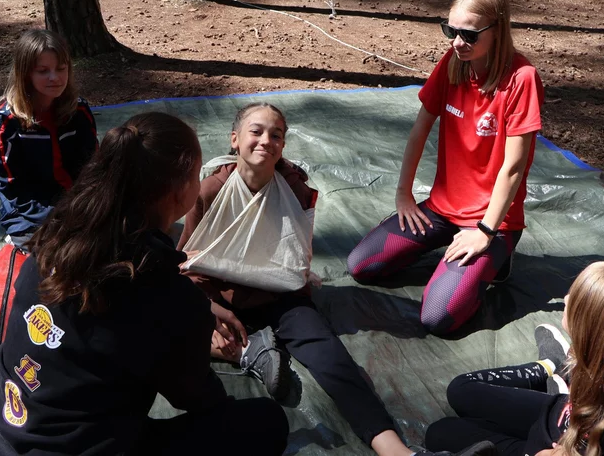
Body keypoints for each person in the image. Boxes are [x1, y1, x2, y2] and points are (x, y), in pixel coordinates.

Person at [178, 103, 496, 456]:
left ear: (283, 145)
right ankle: (252, 351)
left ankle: (396, 451)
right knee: (174, 330)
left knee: (333, 360)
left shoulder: (293, 189)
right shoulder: (210, 192)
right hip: (224, 299)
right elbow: (189, 264)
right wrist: (208, 309)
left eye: (276, 135)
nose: (266, 140)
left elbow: (293, 257)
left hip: (281, 297)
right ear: (234, 140)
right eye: (256, 131)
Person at [0, 112, 289, 456]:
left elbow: (110, 314)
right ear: (180, 192)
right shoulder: (168, 300)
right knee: (266, 421)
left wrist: (194, 309)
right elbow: (197, 397)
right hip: (68, 448)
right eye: (197, 175)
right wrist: (192, 329)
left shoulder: (57, 235)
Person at [346, 0, 544, 335]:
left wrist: (485, 232)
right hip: (441, 210)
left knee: (437, 317)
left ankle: (497, 259)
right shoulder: (453, 64)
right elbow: (419, 129)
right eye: (450, 31)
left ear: (497, 29)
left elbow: (513, 168)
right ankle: (460, 257)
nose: (457, 42)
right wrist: (404, 194)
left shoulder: (521, 78)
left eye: (469, 34)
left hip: (490, 221)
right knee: (361, 265)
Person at [424, 261, 604, 456]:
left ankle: (558, 375)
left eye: (575, 300)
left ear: (596, 338)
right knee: (460, 389)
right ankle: (551, 366)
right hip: (560, 413)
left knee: (440, 433)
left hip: (551, 442)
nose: (566, 298)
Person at [0, 29, 97, 247]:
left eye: (61, 69)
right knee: (53, 245)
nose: (55, 78)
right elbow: (13, 190)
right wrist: (57, 216)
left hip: (77, 199)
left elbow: (92, 165)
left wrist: (88, 203)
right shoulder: (3, 124)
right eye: (43, 71)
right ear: (25, 74)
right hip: (31, 210)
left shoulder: (78, 110)